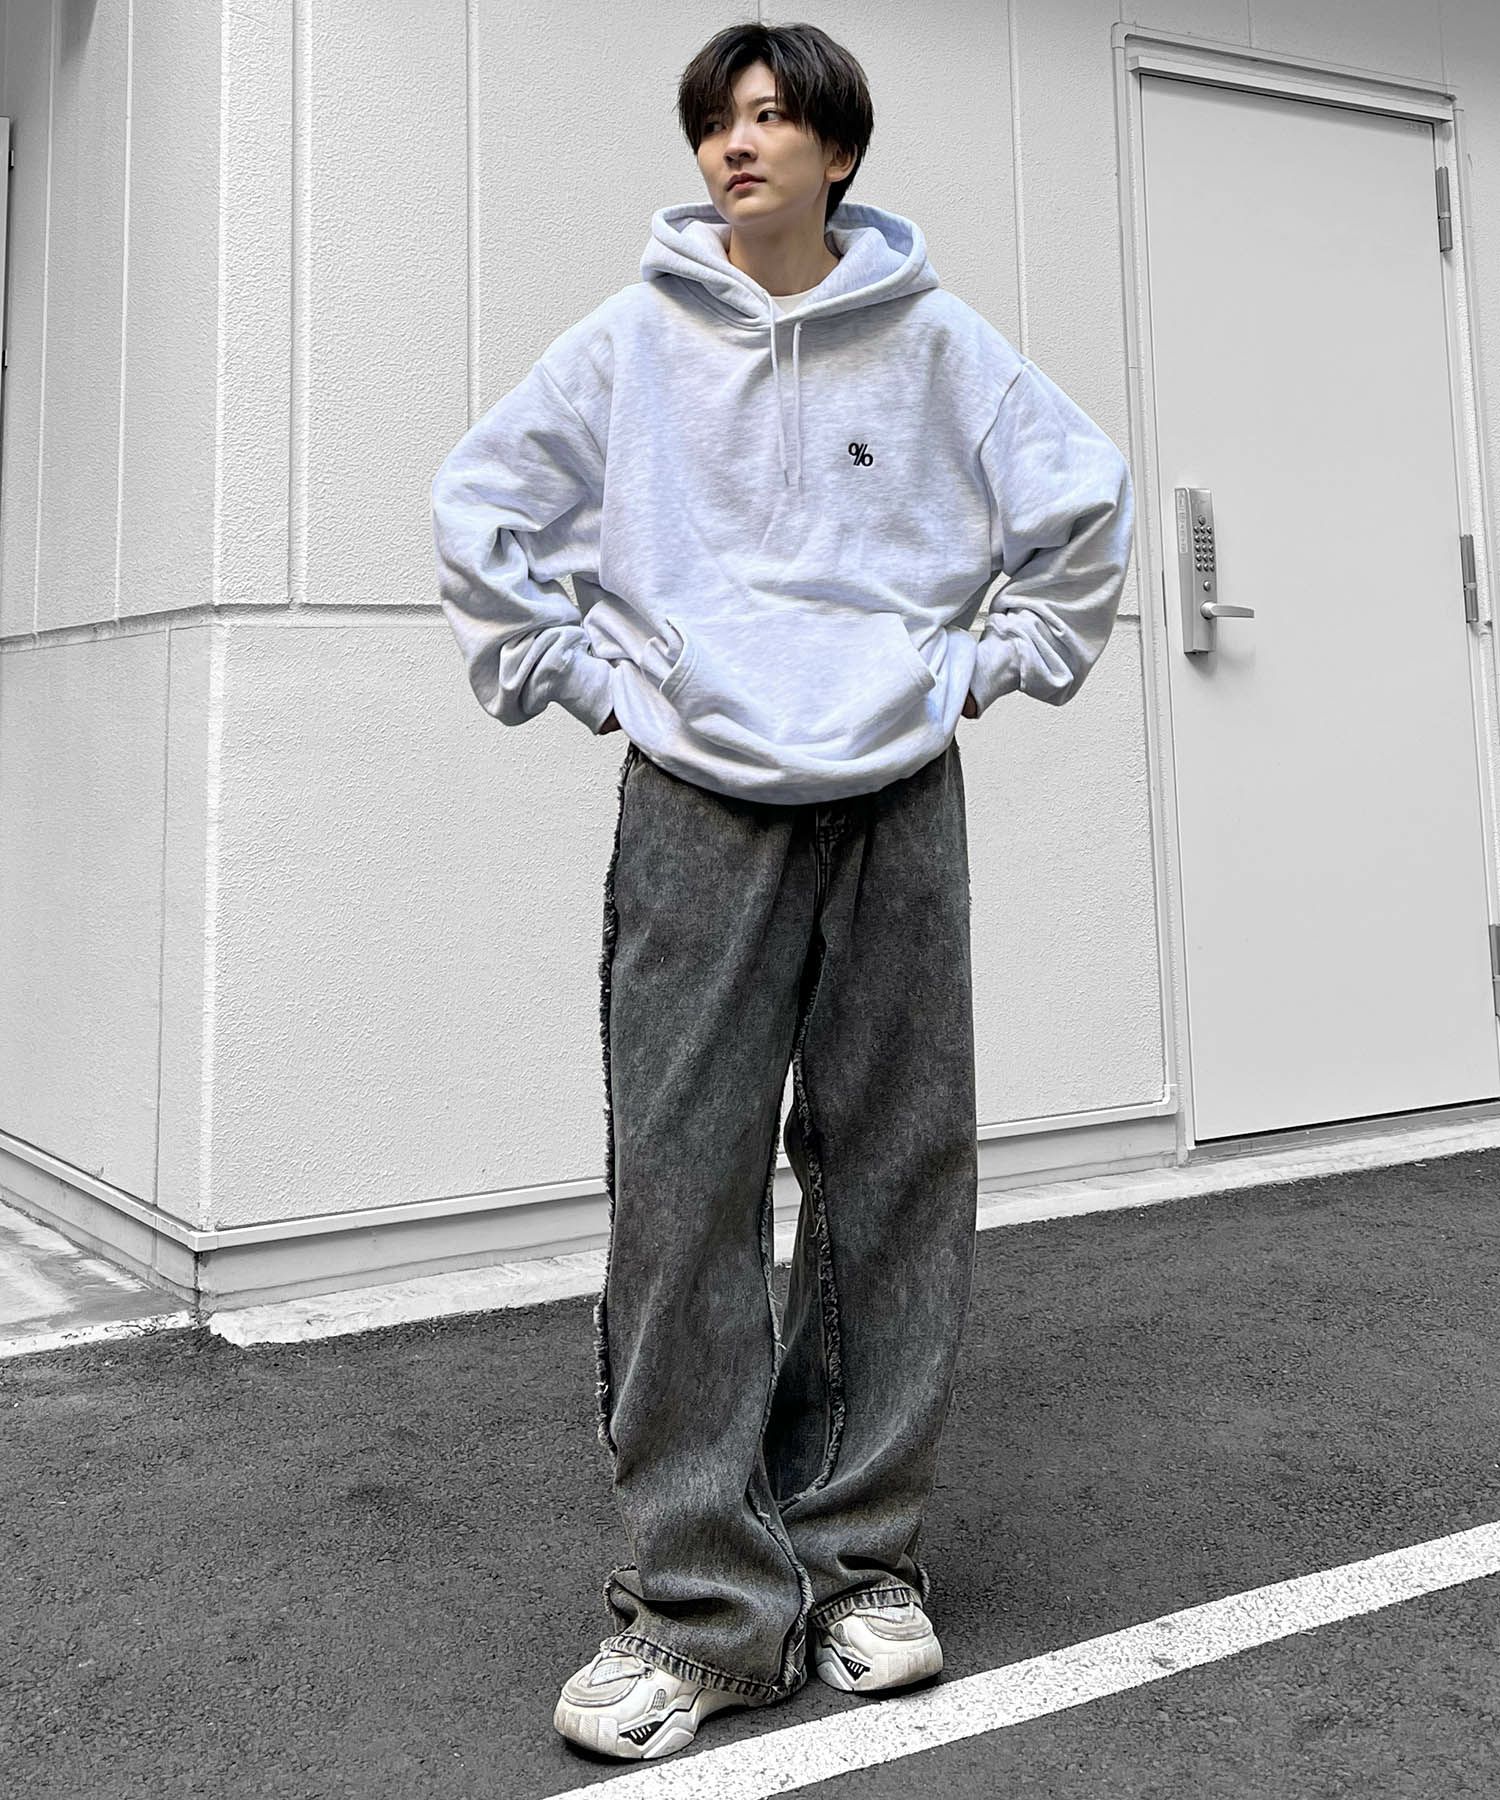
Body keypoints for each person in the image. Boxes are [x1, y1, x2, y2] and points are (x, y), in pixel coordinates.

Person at [430, 19, 1134, 1766]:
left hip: (896, 798)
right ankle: (698, 1607)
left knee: (894, 1172)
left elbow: (1084, 507)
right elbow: (481, 506)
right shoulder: (632, 341)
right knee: (684, 1191)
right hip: (698, 804)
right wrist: (589, 679)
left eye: (767, 117)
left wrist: (982, 666)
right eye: (714, 124)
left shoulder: (940, 345)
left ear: (837, 149)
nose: (734, 146)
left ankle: (857, 1562)